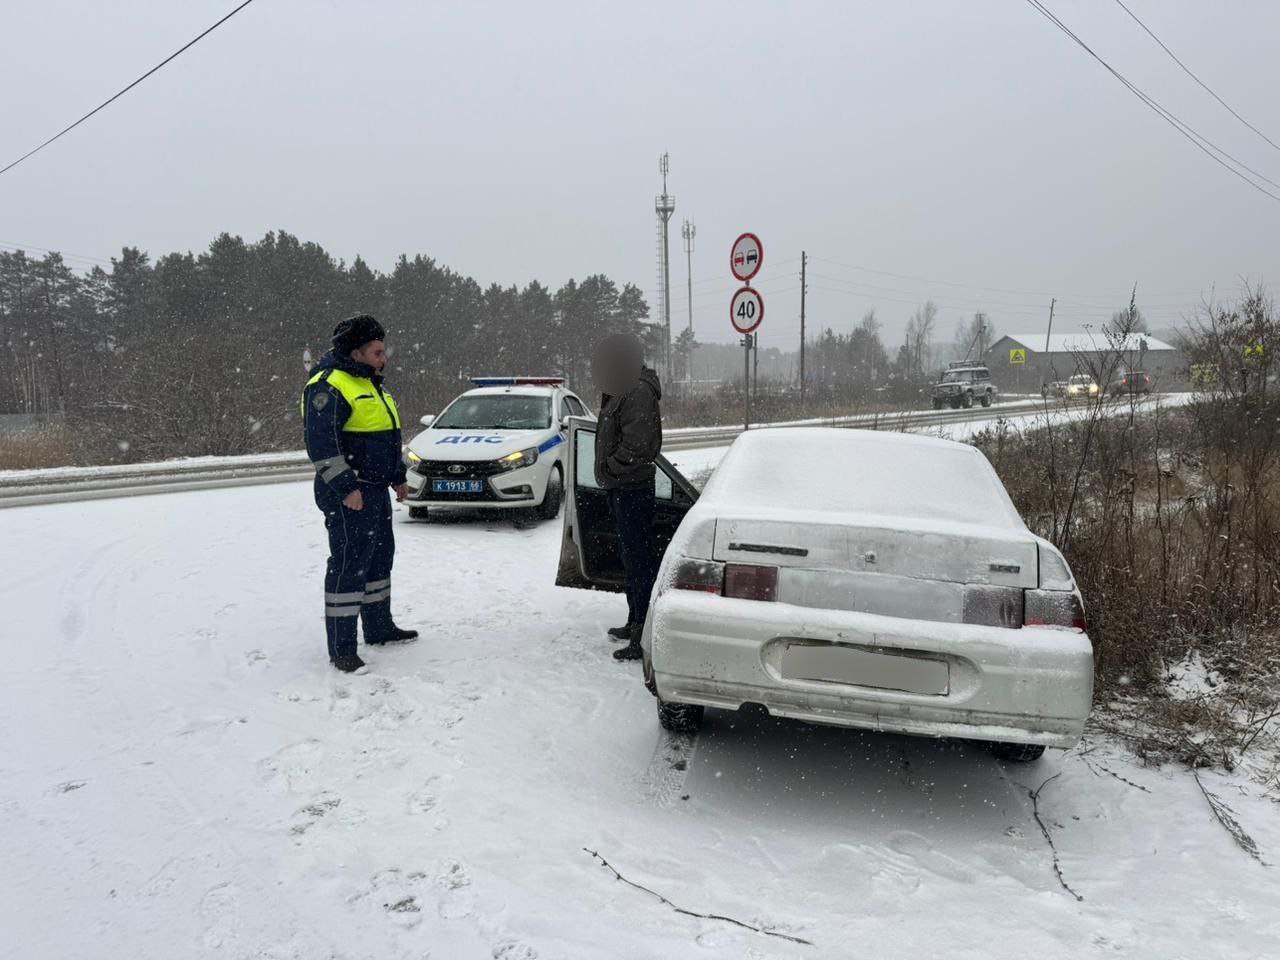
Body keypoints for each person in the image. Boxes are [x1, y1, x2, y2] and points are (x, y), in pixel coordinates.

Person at [301, 315, 419, 673]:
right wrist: (346, 487)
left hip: (375, 492)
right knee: (349, 566)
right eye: (377, 352)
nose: (384, 358)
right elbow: (322, 446)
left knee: (379, 560)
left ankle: (379, 628)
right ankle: (342, 649)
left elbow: (387, 437)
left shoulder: (372, 384)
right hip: (349, 493)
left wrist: (397, 476)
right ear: (356, 353)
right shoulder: (328, 385)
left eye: (384, 351)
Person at [591, 333, 663, 663]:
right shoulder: (622, 387)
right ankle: (634, 621)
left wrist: (610, 467)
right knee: (631, 561)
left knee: (640, 563)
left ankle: (642, 633)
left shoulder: (637, 391)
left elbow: (638, 445)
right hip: (622, 488)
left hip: (632, 489)